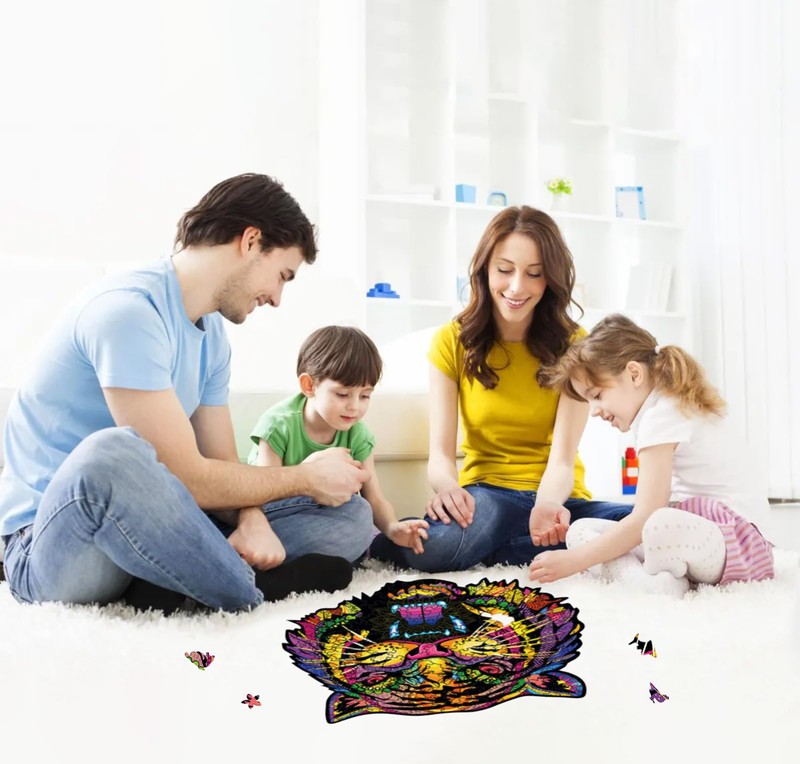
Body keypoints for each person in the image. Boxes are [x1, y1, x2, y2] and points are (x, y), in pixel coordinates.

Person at [0, 173, 373, 614]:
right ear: (251, 241)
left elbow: (221, 464)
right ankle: (248, 587)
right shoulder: (128, 313)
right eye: (282, 276)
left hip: (149, 531)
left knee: (351, 517)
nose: (276, 298)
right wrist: (305, 477)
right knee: (113, 453)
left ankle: (172, 581)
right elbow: (187, 476)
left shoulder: (212, 335)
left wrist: (252, 520)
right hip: (53, 543)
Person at [370, 206, 632, 572]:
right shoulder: (452, 340)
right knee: (437, 547)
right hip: (486, 498)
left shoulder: (575, 345)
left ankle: (505, 548)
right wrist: (448, 490)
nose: (517, 287)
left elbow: (562, 460)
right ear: (485, 270)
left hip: (558, 499)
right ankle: (544, 546)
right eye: (504, 270)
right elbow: (440, 456)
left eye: (534, 274)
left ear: (551, 278)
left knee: (644, 522)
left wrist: (547, 506)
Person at [529, 313, 774, 595]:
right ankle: (657, 582)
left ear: (634, 374)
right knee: (581, 530)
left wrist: (574, 561)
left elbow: (646, 515)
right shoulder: (659, 409)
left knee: (655, 524)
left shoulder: (662, 414)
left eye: (596, 395)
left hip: (740, 543)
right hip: (700, 534)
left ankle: (653, 580)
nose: (594, 411)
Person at [246, 325, 428, 561]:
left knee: (359, 512)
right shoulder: (277, 425)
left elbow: (374, 498)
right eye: (343, 394)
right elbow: (263, 496)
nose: (354, 406)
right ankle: (274, 556)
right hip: (272, 515)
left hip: (321, 519)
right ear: (309, 386)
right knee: (355, 522)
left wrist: (393, 528)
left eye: (365, 395)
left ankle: (293, 562)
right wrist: (307, 473)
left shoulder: (358, 434)